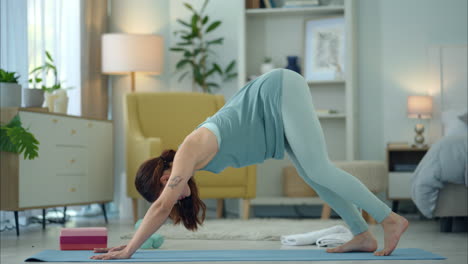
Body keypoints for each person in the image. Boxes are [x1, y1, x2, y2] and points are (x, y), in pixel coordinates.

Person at [91, 69, 408, 260]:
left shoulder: (188, 151)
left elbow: (160, 208)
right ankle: (362, 235)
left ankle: (389, 218)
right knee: (314, 175)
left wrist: (131, 248)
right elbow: (163, 205)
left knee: (320, 168)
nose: (178, 199)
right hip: (274, 118)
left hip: (279, 91)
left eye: (168, 193)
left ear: (163, 181)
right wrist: (135, 242)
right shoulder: (191, 163)